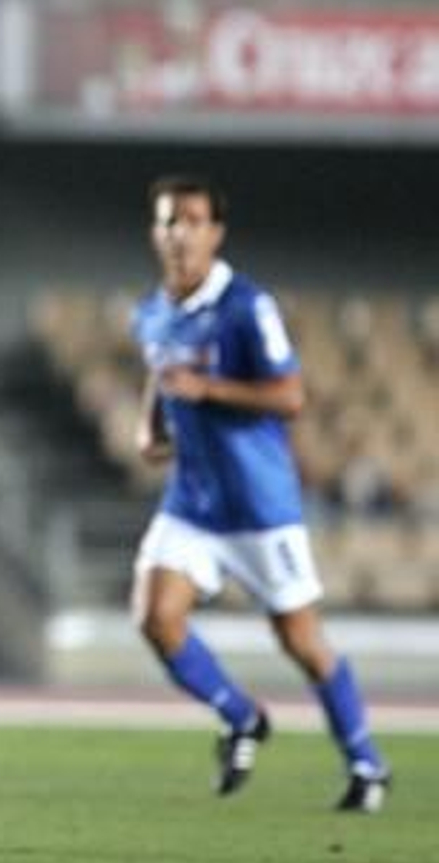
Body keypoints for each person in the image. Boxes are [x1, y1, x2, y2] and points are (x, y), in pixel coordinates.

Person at [130, 174, 391, 812]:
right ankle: (241, 715)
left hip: (259, 506)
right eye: (168, 221)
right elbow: (161, 373)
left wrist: (208, 391)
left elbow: (290, 396)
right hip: (191, 502)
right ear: (155, 232)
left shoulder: (248, 306)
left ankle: (366, 763)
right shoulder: (153, 311)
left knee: (301, 641)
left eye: (191, 220)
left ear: (215, 232)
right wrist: (151, 423)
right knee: (156, 618)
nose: (178, 233)